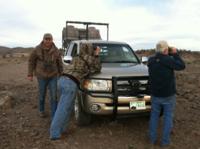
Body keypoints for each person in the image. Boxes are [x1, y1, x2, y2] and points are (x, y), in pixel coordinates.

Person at [50, 43, 101, 140]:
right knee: (63, 109)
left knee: (67, 108)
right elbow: (98, 67)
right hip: (70, 83)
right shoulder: (88, 58)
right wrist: (97, 54)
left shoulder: (76, 57)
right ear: (89, 49)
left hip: (62, 81)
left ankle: (63, 129)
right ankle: (54, 134)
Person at [148, 40, 185, 146]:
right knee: (168, 117)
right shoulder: (168, 60)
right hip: (168, 95)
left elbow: (157, 59)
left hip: (155, 94)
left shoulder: (151, 60)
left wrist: (166, 54)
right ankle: (165, 142)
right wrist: (175, 54)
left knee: (154, 116)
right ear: (165, 50)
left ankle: (152, 139)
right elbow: (182, 66)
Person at [27, 33, 63, 119]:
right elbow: (31, 61)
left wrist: (61, 74)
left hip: (53, 75)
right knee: (42, 94)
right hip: (41, 75)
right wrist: (30, 74)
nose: (47, 41)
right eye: (46, 39)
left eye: (49, 39)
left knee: (54, 95)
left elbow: (59, 63)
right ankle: (41, 110)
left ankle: (54, 115)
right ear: (43, 39)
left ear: (52, 40)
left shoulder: (56, 50)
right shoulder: (37, 49)